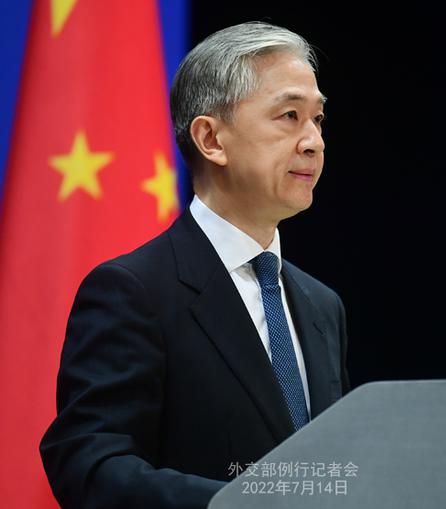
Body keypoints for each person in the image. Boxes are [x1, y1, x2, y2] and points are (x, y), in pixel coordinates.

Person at [40, 21, 350, 509]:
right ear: (211, 140)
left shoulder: (321, 304)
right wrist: (239, 503)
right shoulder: (133, 291)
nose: (314, 141)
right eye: (289, 116)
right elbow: (89, 465)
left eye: (318, 119)